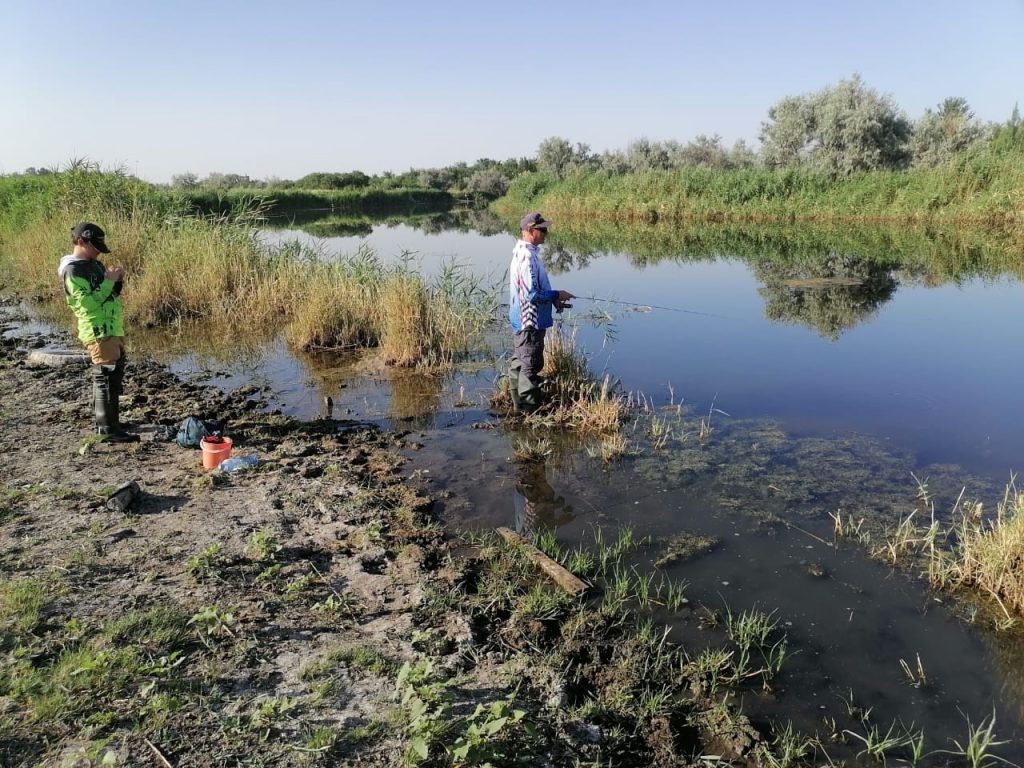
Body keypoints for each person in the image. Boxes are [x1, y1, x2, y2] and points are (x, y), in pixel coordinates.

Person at [58, 222, 139, 443]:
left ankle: (113, 422)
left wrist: (116, 282)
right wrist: (108, 281)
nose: (97, 251)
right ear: (81, 241)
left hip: (112, 328)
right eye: (94, 246)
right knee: (104, 377)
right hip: (97, 330)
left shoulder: (93, 264)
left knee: (114, 377)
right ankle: (107, 429)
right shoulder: (72, 270)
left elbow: (108, 295)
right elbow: (87, 305)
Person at [508, 212, 576, 412]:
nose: (546, 233)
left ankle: (518, 406)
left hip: (524, 320)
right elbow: (531, 295)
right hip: (529, 322)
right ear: (530, 231)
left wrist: (554, 300)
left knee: (520, 360)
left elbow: (536, 288)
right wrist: (557, 293)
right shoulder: (527, 257)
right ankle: (528, 411)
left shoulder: (527, 252)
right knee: (530, 364)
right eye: (542, 229)